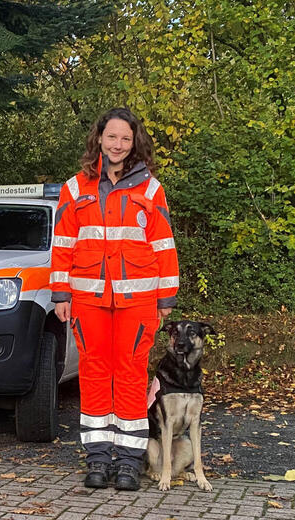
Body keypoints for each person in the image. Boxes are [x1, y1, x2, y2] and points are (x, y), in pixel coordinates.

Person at [50, 108, 179, 491]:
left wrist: (165, 298)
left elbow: (164, 246)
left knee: (130, 375)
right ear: (99, 139)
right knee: (93, 374)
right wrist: (61, 293)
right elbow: (62, 244)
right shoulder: (74, 188)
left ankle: (128, 461)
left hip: (138, 302)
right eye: (111, 137)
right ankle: (97, 459)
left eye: (125, 138)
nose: (118, 145)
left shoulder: (151, 190)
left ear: (134, 142)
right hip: (87, 298)